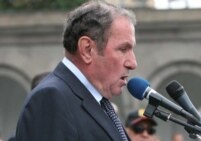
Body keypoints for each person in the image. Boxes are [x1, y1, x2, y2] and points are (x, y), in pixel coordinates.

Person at [15, 0, 137, 141]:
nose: (133, 63)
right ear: (87, 49)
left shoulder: (98, 102)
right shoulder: (52, 98)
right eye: (123, 49)